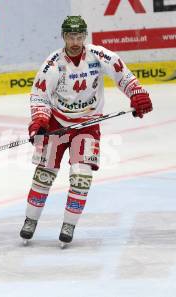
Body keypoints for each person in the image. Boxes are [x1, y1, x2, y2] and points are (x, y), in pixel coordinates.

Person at [20, 16, 153, 246]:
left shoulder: (99, 56)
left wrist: (137, 93)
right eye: (71, 36)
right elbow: (39, 95)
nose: (75, 41)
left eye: (79, 36)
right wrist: (39, 121)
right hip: (56, 124)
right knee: (44, 175)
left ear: (85, 36)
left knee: (81, 176)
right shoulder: (53, 64)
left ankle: (69, 224)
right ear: (64, 36)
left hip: (88, 125)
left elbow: (124, 76)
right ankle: (30, 220)